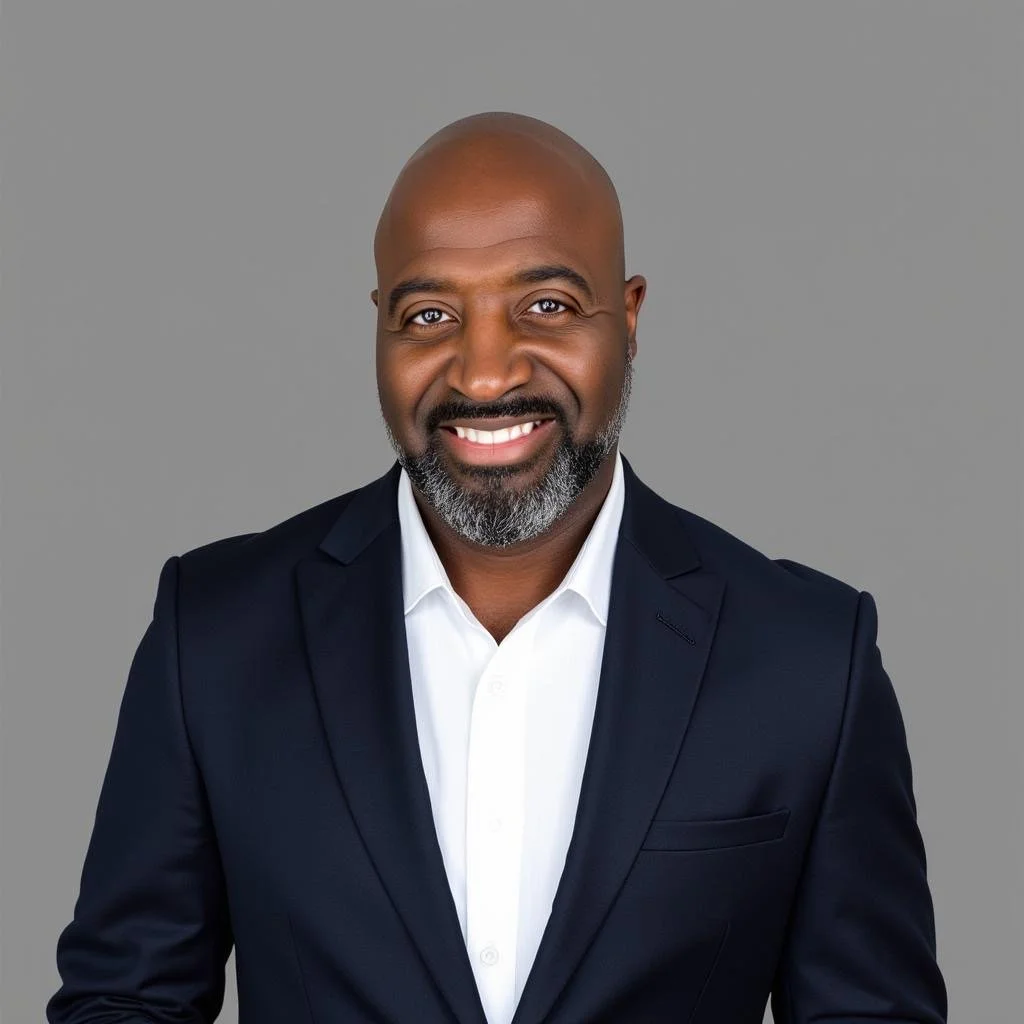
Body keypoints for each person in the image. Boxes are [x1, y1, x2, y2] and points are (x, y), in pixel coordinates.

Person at [47, 111, 947, 1024]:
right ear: (381, 329)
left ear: (628, 319)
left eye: (546, 306)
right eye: (430, 314)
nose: (482, 374)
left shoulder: (808, 662)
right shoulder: (214, 639)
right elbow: (125, 1002)